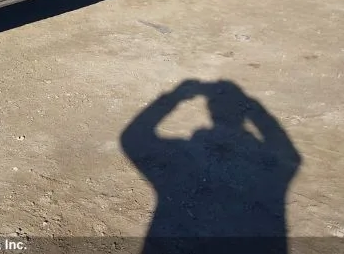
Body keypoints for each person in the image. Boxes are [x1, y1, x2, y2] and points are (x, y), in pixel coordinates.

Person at [121, 80, 301, 254]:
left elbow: (132, 138)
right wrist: (251, 105)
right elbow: (288, 153)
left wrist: (175, 96)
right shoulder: (271, 172)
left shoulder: (179, 161)